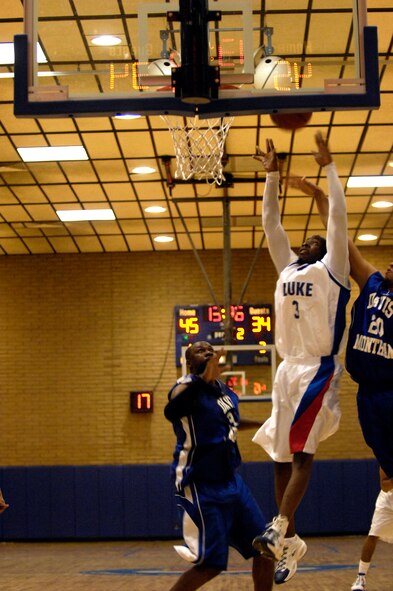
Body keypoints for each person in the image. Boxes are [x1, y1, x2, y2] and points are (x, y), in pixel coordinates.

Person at [251, 133, 351, 585]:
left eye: (317, 239)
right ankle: (289, 540)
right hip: (285, 369)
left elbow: (337, 219)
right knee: (278, 457)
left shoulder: (334, 268)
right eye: (306, 240)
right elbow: (271, 224)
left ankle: (277, 526)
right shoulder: (288, 267)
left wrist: (329, 170)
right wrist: (272, 175)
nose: (310, 241)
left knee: (302, 455)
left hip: (316, 367)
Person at [293, 175, 393, 483]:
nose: (390, 264)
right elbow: (339, 237)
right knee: (386, 463)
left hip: (391, 390)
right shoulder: (372, 280)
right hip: (366, 392)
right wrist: (320, 197)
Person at [164, 341, 275, 591]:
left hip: (231, 481)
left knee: (265, 547)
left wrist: (263, 423)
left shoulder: (225, 391)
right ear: (190, 363)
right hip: (199, 483)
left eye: (209, 349)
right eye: (200, 350)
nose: (207, 351)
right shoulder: (184, 388)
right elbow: (171, 411)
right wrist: (203, 379)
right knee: (212, 564)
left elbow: (232, 422)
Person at [351, 467, 393, 591]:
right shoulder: (387, 457)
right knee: (373, 535)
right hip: (387, 503)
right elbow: (384, 486)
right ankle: (361, 577)